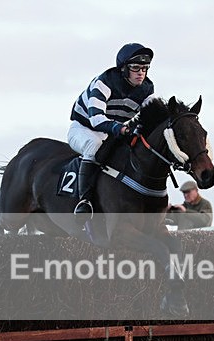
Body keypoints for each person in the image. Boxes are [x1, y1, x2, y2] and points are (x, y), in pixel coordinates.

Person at [68, 43, 156, 223]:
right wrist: (121, 128)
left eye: (145, 68)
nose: (141, 73)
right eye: (135, 68)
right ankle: (84, 202)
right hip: (84, 128)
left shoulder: (147, 88)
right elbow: (96, 119)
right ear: (124, 69)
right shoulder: (104, 82)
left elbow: (151, 117)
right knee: (94, 145)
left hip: (111, 132)